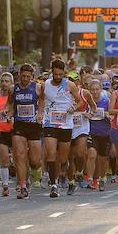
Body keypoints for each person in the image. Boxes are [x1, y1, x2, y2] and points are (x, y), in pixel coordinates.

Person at [42, 59, 82, 198]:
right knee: (51, 154)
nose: (58, 77)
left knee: (63, 158)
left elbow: (81, 101)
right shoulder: (45, 84)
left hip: (66, 124)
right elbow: (41, 99)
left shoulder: (69, 85)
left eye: (60, 74)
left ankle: (66, 175)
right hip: (49, 123)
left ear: (64, 73)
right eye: (55, 74)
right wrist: (41, 113)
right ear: (52, 72)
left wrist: (74, 108)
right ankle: (54, 184)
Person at [7, 64, 43, 199]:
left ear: (32, 77)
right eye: (23, 76)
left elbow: (42, 102)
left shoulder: (38, 88)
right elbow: (10, 105)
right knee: (19, 155)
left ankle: (33, 173)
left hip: (33, 126)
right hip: (19, 125)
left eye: (28, 77)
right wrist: (7, 113)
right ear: (19, 75)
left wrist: (40, 113)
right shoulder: (13, 89)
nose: (25, 79)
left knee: (35, 160)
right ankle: (22, 186)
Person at [86, 77, 111, 191]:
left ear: (101, 89)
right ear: (89, 90)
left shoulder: (106, 100)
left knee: (103, 158)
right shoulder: (87, 101)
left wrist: (108, 115)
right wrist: (86, 115)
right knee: (92, 154)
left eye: (97, 89)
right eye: (93, 90)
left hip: (105, 132)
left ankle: (102, 178)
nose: (95, 92)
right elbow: (81, 113)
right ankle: (90, 179)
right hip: (92, 132)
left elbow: (112, 114)